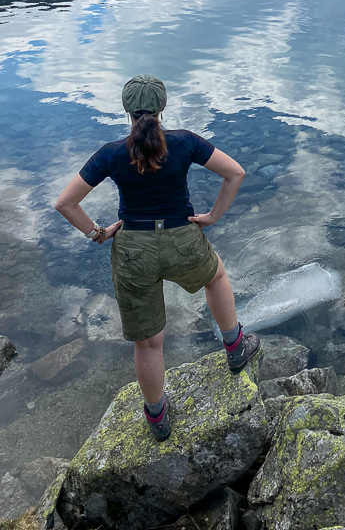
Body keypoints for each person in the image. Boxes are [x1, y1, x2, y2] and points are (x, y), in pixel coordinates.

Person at [55, 73, 260, 442]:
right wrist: (212, 217)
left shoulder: (111, 153)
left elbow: (65, 203)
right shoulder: (184, 143)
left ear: (127, 111)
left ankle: (157, 419)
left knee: (149, 342)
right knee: (215, 277)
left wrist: (97, 233)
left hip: (133, 249)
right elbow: (235, 173)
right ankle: (235, 347)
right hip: (183, 239)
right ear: (162, 108)